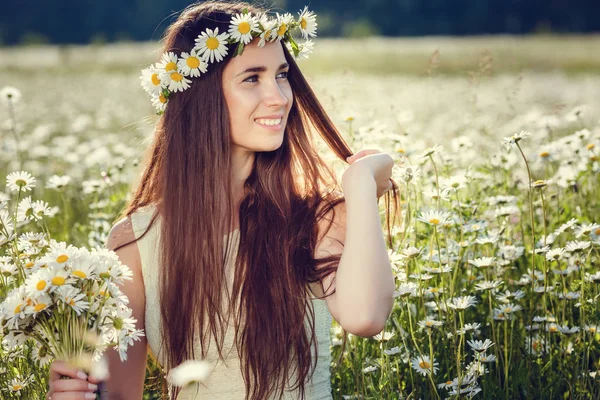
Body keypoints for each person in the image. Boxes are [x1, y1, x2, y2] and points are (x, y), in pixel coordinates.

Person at [46, 1, 399, 399]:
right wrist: (75, 393)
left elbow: (366, 317)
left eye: (282, 75)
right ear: (201, 96)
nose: (280, 97)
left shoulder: (311, 215)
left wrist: (360, 184)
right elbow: (120, 394)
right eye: (252, 78)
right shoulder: (135, 243)